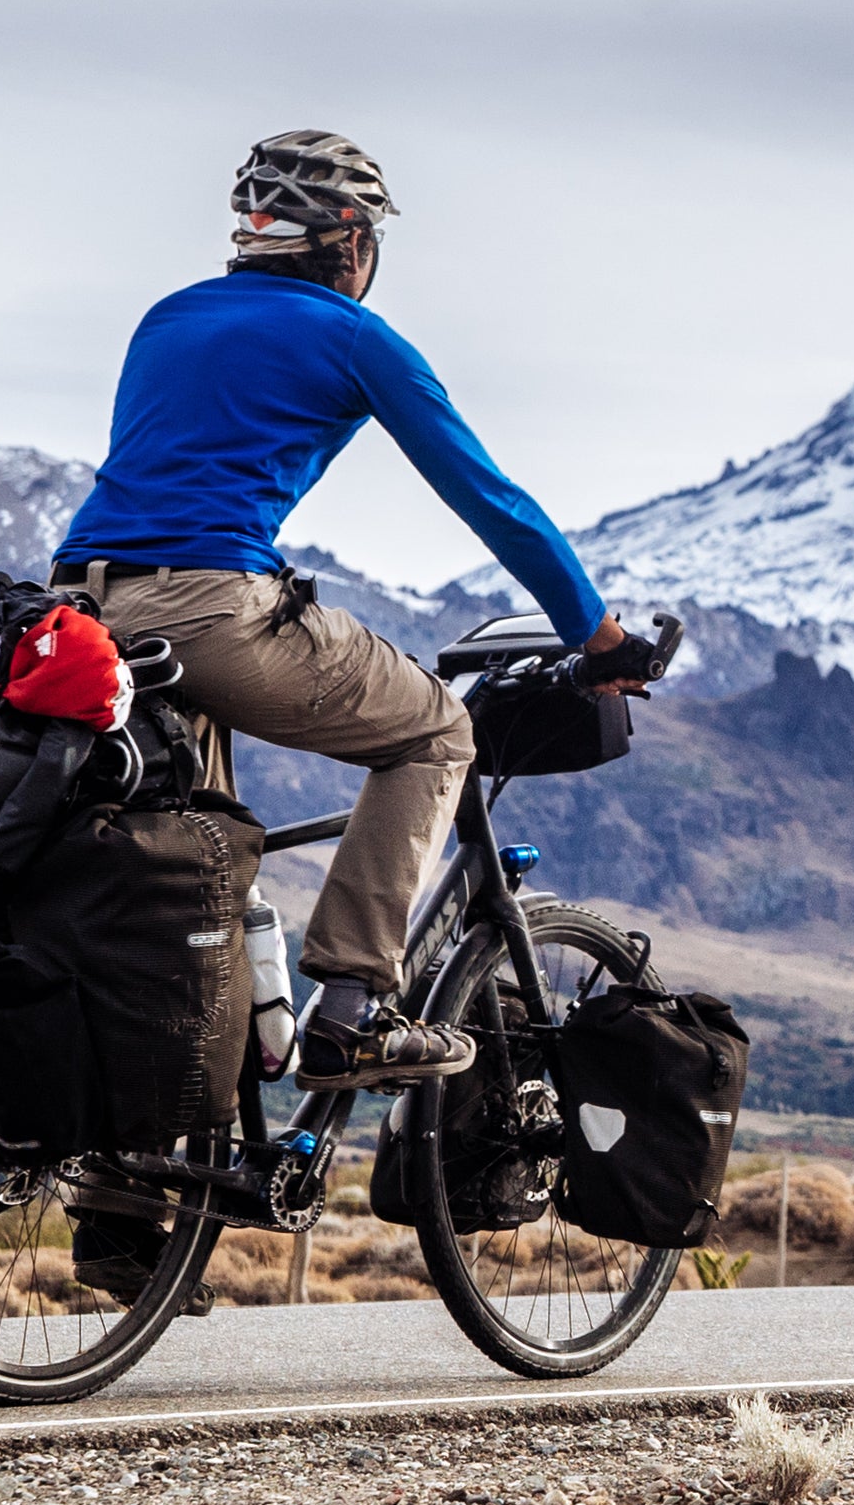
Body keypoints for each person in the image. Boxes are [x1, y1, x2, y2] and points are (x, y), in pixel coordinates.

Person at [52, 130, 665, 1095]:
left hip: (84, 614)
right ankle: (355, 1009)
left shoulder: (166, 318)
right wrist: (599, 633)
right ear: (349, 241)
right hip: (213, 607)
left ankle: (135, 1212)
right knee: (433, 729)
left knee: (193, 874)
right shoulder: (351, 334)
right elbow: (489, 498)